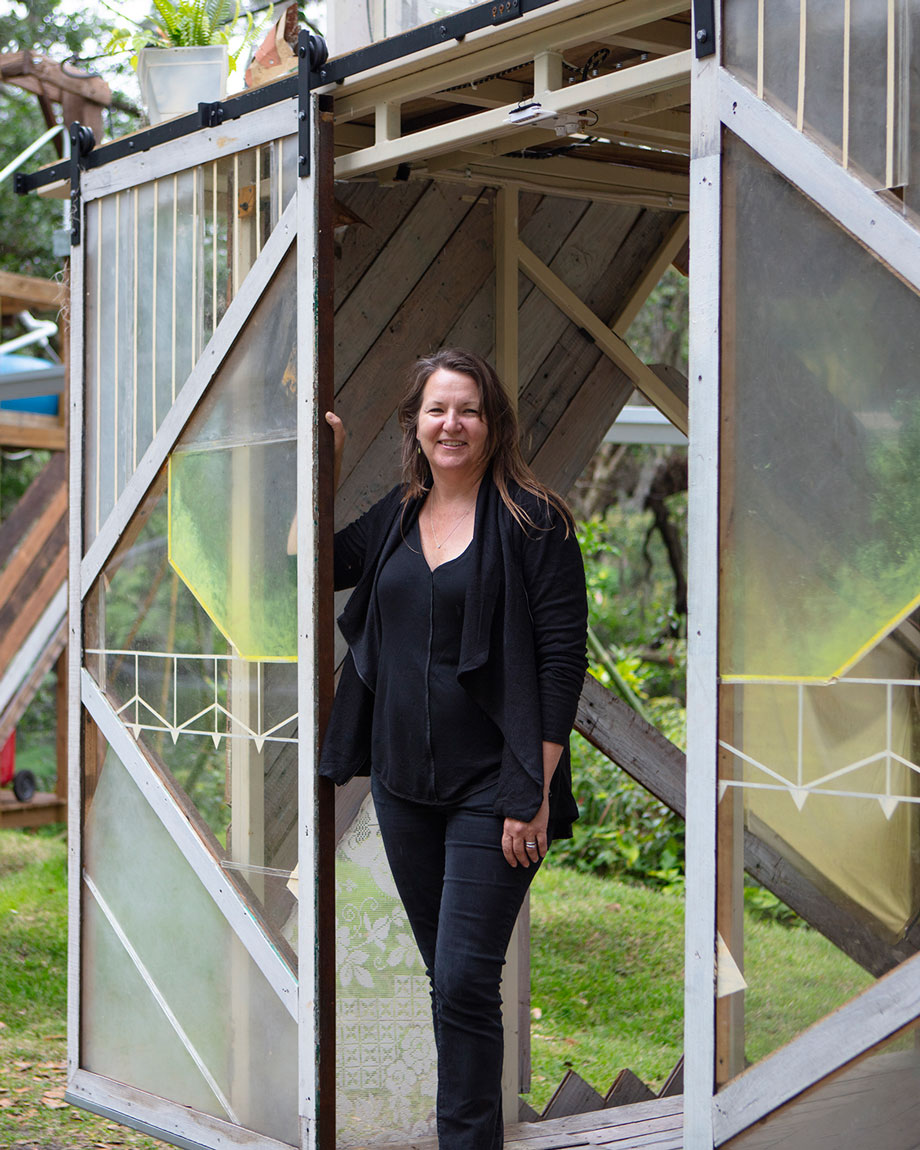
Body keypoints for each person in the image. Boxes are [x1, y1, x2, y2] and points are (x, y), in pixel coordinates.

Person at [319, 348, 588, 1149]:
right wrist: (322, 467)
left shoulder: (536, 522)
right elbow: (309, 564)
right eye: (437, 409)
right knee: (449, 980)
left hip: (494, 789)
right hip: (403, 789)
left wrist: (530, 792)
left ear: (491, 422)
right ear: (416, 424)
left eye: (467, 409)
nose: (451, 423)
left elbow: (560, 661)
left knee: (468, 980)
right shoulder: (398, 517)